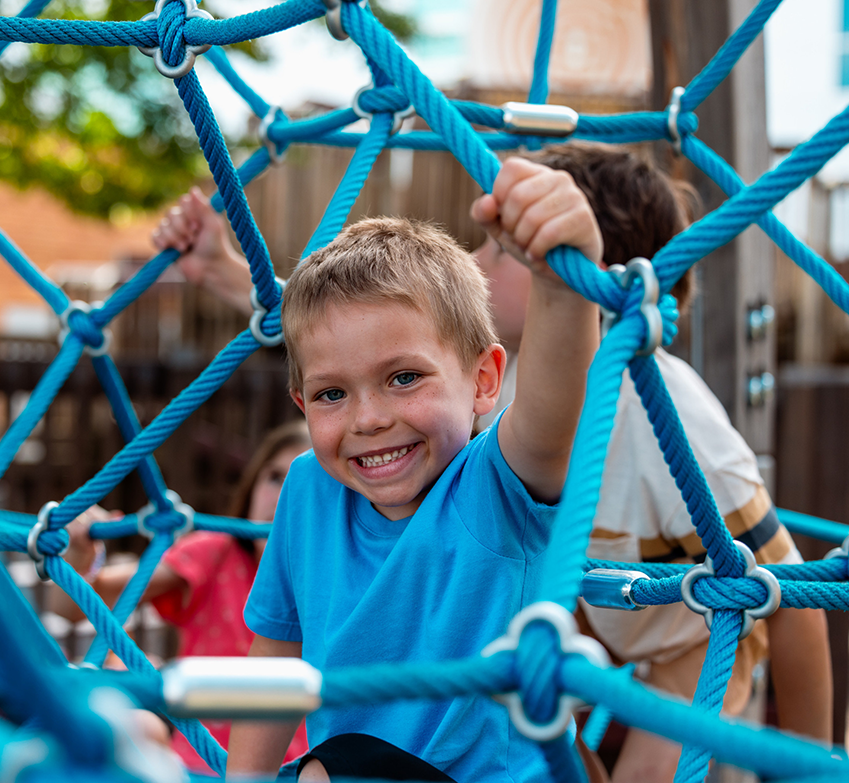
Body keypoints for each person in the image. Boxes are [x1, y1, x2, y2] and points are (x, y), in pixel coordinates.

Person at [202, 158, 602, 781]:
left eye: (404, 378)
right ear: (303, 404)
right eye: (332, 394)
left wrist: (561, 282)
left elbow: (557, 410)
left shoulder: (493, 488)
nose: (368, 419)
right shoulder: (307, 490)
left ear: (484, 381)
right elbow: (279, 657)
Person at [470, 143, 832, 781]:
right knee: (523, 728)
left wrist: (811, 761)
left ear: (596, 276)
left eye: (501, 251)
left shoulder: (680, 430)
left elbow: (795, 605)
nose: (474, 263)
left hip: (701, 630)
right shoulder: (507, 385)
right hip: (590, 597)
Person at [58, 421, 313, 774]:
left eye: (306, 485)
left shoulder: (340, 580)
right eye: (274, 478)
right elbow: (77, 605)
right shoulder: (216, 554)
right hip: (199, 763)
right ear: (252, 485)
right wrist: (82, 557)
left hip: (300, 770)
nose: (283, 497)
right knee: (132, 725)